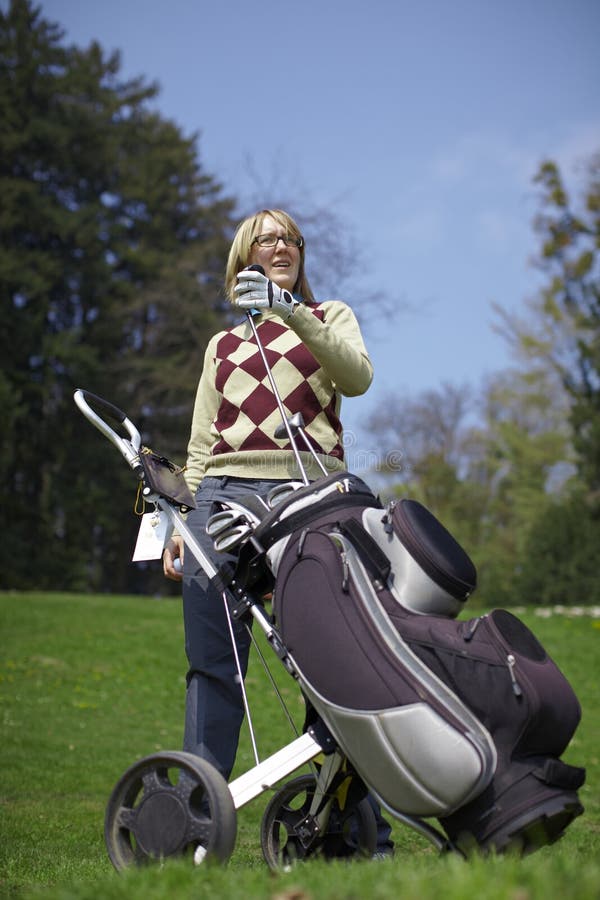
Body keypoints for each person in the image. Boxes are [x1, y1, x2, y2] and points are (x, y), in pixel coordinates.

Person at [163, 208, 393, 857]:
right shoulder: (221, 345)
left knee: (331, 657)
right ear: (245, 258)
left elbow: (357, 378)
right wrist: (180, 519)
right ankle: (190, 831)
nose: (282, 244)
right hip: (222, 499)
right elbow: (203, 442)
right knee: (214, 665)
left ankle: (346, 830)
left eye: (290, 237)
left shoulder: (329, 316)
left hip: (310, 494)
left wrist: (291, 309)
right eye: (267, 238)